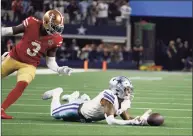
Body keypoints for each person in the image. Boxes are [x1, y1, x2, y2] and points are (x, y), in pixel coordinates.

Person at [1, 9, 73, 119]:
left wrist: (59, 69)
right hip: (13, 57)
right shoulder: (31, 23)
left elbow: (50, 62)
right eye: (54, 27)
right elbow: (11, 30)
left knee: (22, 84)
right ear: (45, 22)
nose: (56, 31)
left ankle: (1, 109)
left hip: (29, 65)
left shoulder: (56, 39)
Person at [42, 76, 152, 125]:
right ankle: (57, 93)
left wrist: (142, 120)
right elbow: (110, 121)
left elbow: (127, 118)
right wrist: (131, 122)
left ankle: (74, 98)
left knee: (66, 120)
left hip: (87, 117)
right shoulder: (108, 97)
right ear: (117, 89)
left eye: (129, 89)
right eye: (126, 89)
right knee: (55, 114)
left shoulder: (124, 100)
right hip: (76, 110)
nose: (128, 92)